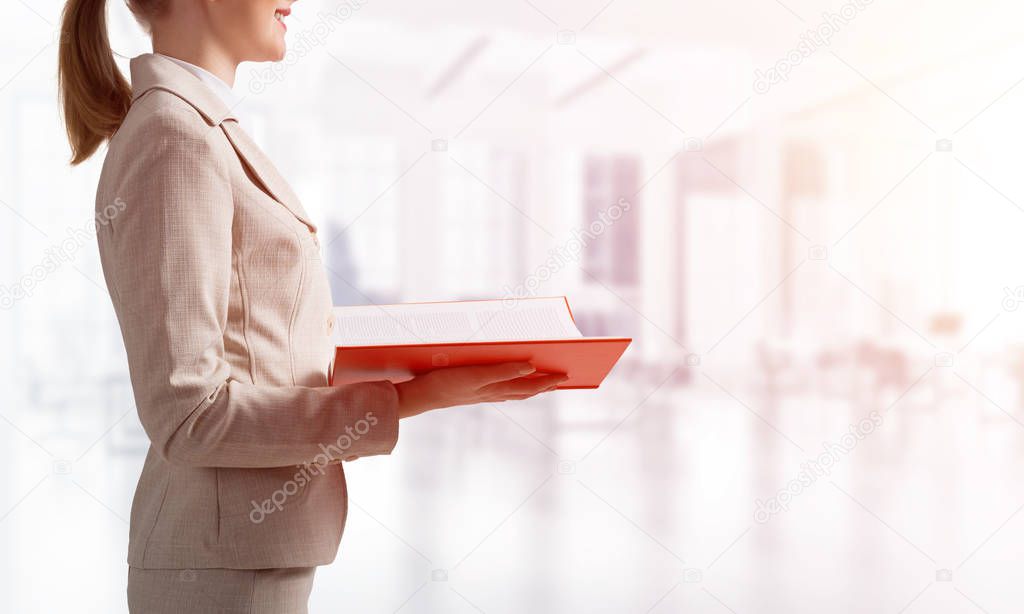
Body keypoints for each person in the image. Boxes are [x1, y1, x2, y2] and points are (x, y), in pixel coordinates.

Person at [56, 1, 567, 612]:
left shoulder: (197, 128)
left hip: (244, 556)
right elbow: (189, 414)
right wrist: (410, 398)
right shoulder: (175, 138)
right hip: (222, 570)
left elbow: (252, 347)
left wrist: (410, 361)